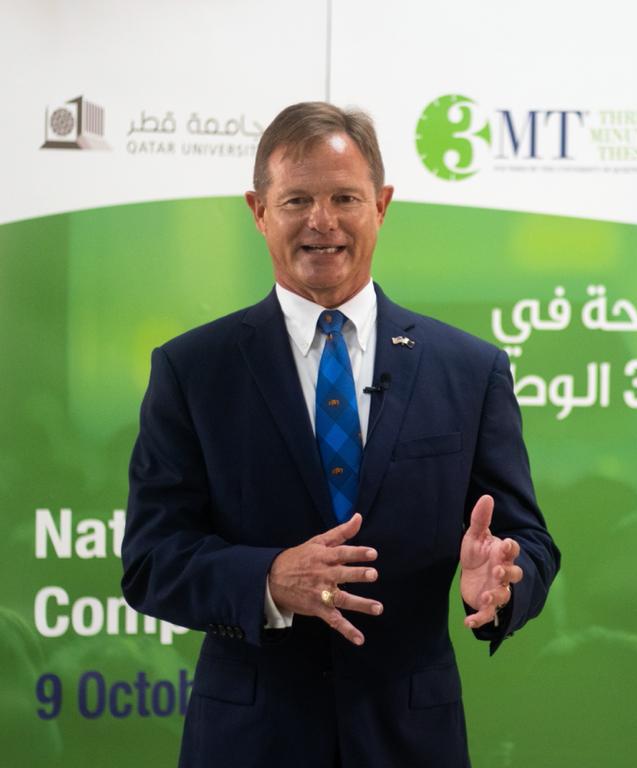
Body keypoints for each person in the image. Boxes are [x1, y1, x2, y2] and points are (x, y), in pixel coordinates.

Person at [121, 101, 559, 768]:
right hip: (249, 744)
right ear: (258, 211)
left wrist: (501, 582)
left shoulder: (469, 371)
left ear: (381, 205)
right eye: (297, 200)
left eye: (344, 198)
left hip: (410, 742)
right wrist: (269, 579)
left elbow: (528, 540)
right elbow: (152, 560)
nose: (321, 221)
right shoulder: (193, 371)